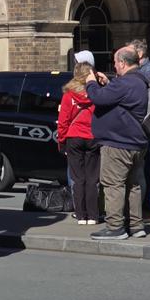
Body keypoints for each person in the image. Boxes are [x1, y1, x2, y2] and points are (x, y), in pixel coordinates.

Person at [85, 46, 149, 240]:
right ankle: (136, 226)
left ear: (122, 63)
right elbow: (119, 100)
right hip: (138, 143)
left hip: (118, 144)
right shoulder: (141, 80)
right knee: (133, 185)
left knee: (113, 185)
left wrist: (90, 83)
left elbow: (97, 97)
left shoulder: (125, 83)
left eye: (115, 62)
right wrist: (109, 83)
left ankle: (115, 227)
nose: (114, 65)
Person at [57, 61, 99, 224]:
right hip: (93, 137)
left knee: (78, 178)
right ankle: (93, 216)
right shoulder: (96, 93)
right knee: (92, 179)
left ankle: (81, 215)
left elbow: (63, 122)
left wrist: (62, 141)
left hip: (74, 138)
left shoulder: (68, 95)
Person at [130, 38, 150, 224]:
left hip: (147, 125)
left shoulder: (147, 71)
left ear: (139, 54)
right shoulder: (145, 70)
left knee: (147, 165)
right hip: (145, 124)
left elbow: (149, 99)